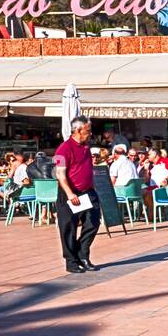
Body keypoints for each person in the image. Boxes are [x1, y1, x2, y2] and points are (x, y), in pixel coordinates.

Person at [55, 116, 101, 274]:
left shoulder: (87, 147)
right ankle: (71, 261)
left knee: (93, 222)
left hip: (88, 191)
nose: (90, 134)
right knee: (69, 227)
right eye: (88, 131)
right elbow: (60, 174)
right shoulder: (63, 149)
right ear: (78, 130)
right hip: (69, 191)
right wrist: (69, 193)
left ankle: (82, 254)